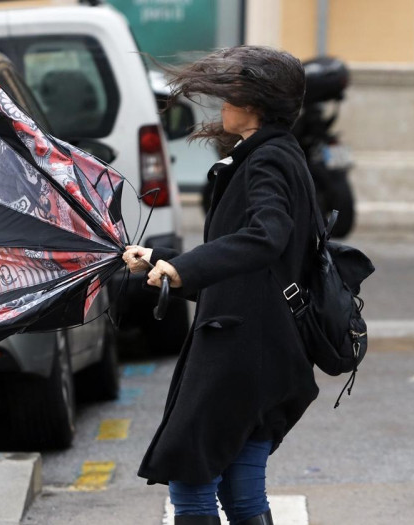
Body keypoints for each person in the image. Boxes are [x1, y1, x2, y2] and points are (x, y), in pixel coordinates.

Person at [122, 46, 320, 525]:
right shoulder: (280, 153)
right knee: (243, 493)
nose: (223, 105)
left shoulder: (267, 160)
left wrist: (183, 270)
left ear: (252, 103)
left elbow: (264, 238)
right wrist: (163, 261)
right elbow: (247, 265)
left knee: (191, 486)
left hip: (238, 350)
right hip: (267, 346)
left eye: (230, 95)